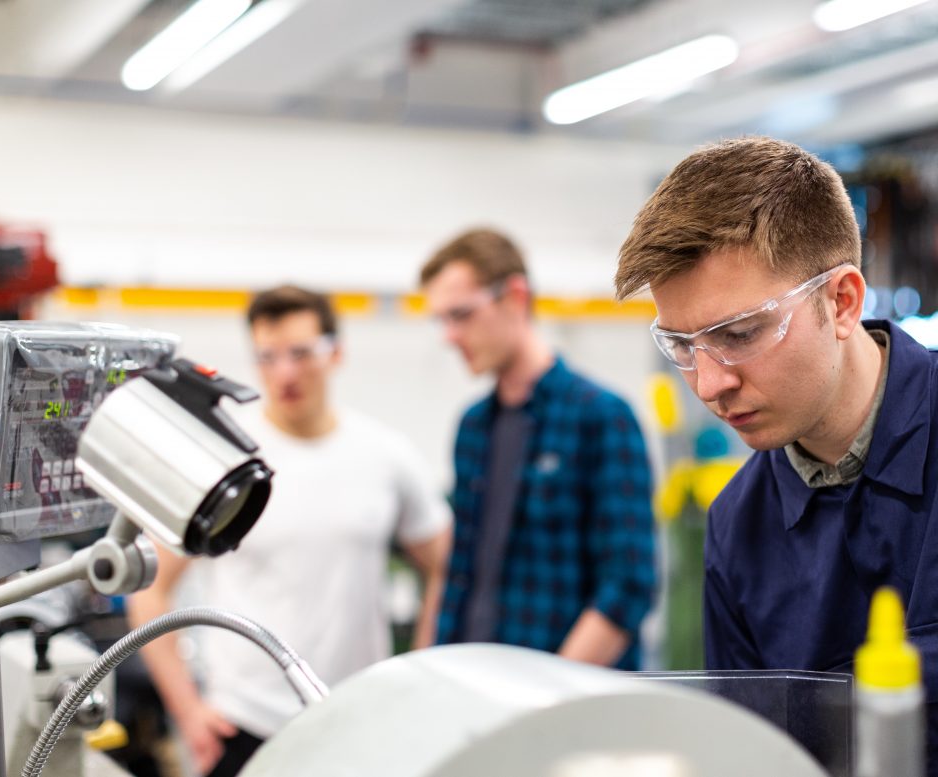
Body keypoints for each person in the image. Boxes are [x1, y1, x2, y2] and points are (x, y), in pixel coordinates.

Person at [614, 135, 938, 773]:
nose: (710, 385)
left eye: (738, 334)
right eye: (681, 345)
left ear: (840, 302)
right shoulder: (737, 525)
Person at [127, 285, 452, 777]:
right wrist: (189, 711)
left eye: (302, 353)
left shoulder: (385, 456)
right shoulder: (224, 456)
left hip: (357, 721)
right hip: (243, 727)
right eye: (268, 356)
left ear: (335, 352)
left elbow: (445, 566)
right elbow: (149, 587)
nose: (285, 372)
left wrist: (416, 678)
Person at [419, 228, 656, 669]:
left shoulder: (601, 417)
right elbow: (460, 576)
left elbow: (628, 586)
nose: (450, 336)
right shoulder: (473, 427)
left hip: (570, 709)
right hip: (477, 687)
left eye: (461, 315)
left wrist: (548, 696)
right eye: (443, 320)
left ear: (514, 296)